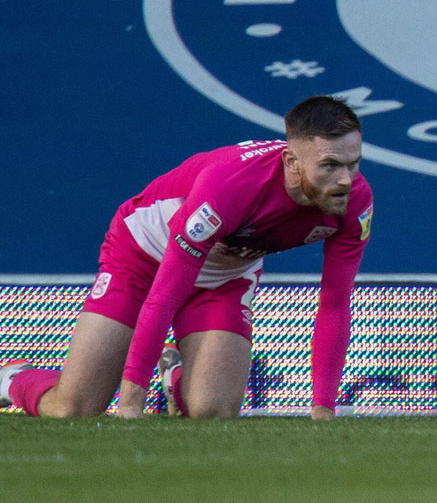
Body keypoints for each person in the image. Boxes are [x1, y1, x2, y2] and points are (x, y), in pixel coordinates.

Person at [0, 96, 373, 418]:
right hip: (145, 262)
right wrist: (131, 403)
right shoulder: (230, 186)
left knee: (213, 411)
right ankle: (12, 377)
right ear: (292, 162)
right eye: (330, 165)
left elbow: (335, 304)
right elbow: (164, 294)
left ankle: (175, 374)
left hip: (225, 275)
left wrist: (324, 409)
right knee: (74, 408)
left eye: (353, 163)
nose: (346, 179)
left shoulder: (355, 201)